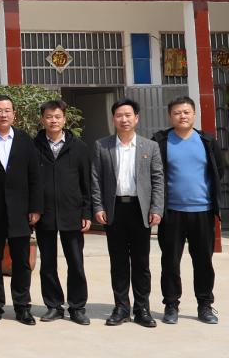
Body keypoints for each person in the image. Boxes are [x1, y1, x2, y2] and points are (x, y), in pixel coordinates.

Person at [91, 98, 164, 327]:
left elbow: (157, 179)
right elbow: (95, 179)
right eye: (119, 115)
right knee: (118, 261)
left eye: (128, 115)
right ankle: (121, 307)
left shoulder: (149, 147)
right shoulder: (102, 146)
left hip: (140, 210)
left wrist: (156, 208)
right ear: (113, 119)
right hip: (114, 210)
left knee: (141, 263)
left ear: (136, 118)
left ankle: (142, 309)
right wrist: (98, 206)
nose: (124, 119)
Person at [152, 96, 223, 325]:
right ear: (170, 116)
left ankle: (205, 305)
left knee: (203, 261)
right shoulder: (161, 141)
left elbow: (218, 170)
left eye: (186, 112)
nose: (182, 116)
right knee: (170, 261)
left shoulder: (207, 141)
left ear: (194, 114)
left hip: (203, 211)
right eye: (177, 113)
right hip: (171, 212)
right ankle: (171, 305)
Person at [0, 95, 41, 326]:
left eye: (7, 110)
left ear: (14, 114)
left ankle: (22, 307)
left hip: (20, 212)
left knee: (22, 262)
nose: (3, 114)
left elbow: (35, 176)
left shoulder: (25, 140)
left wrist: (35, 207)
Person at [34, 99, 91, 325]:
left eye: (57, 116)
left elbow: (86, 183)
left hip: (72, 213)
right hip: (44, 214)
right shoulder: (34, 146)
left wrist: (86, 212)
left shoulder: (79, 148)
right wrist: (33, 209)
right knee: (48, 263)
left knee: (75, 262)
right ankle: (53, 306)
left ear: (65, 119)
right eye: (49, 117)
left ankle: (77, 307)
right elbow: (29, 181)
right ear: (42, 119)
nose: (53, 120)